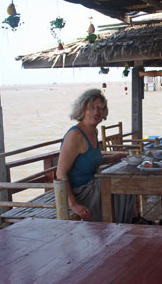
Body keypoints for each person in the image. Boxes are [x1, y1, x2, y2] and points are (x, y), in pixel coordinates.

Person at [56, 89, 143, 224]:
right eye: (92, 108)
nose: (97, 112)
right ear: (83, 109)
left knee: (126, 176)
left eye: (101, 109)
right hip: (81, 193)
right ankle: (128, 222)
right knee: (122, 183)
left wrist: (112, 158)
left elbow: (87, 161)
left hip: (93, 184)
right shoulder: (75, 136)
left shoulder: (93, 131)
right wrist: (74, 205)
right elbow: (60, 173)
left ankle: (131, 220)